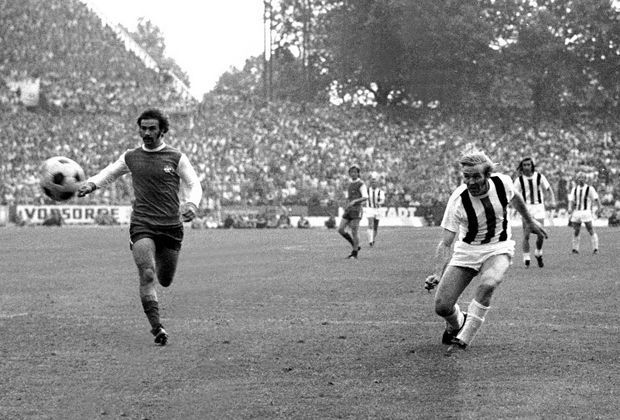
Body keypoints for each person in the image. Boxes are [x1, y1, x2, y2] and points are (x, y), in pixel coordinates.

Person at [77, 109, 202, 346]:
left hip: (170, 226)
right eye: (143, 128)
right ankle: (157, 328)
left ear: (162, 130)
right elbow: (110, 173)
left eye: (152, 128)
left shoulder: (176, 157)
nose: (146, 133)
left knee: (165, 280)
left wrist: (192, 203)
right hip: (142, 223)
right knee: (147, 274)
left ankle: (157, 315)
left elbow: (194, 184)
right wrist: (92, 184)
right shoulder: (131, 157)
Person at [424, 150, 547, 354]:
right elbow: (446, 242)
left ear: (487, 175)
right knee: (442, 307)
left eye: (476, 176)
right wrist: (437, 272)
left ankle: (463, 338)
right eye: (466, 176)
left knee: (489, 282)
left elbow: (515, 198)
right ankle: (457, 323)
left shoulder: (502, 183)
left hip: (498, 247)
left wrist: (529, 220)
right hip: (467, 251)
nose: (470, 181)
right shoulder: (458, 200)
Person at [513, 157, 556, 267]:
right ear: (521, 167)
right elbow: (513, 194)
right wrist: (514, 206)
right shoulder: (519, 180)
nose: (526, 167)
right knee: (526, 234)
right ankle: (526, 258)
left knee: (540, 234)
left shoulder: (540, 177)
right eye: (524, 165)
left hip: (539, 208)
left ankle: (538, 252)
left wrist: (552, 200)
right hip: (526, 208)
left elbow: (549, 189)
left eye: (528, 164)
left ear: (532, 166)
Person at [337, 164, 368, 259]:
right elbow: (348, 198)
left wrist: (355, 201)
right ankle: (355, 246)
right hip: (349, 209)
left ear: (358, 173)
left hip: (357, 210)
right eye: (351, 172)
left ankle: (354, 253)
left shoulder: (361, 184)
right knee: (340, 229)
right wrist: (345, 204)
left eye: (355, 172)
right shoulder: (350, 184)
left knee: (354, 231)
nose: (353, 173)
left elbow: (365, 197)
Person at [567, 172, 600, 254]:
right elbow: (571, 200)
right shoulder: (574, 189)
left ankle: (595, 249)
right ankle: (575, 249)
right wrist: (569, 208)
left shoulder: (590, 188)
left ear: (585, 179)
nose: (580, 179)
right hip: (577, 212)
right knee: (576, 230)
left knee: (590, 229)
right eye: (579, 177)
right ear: (577, 179)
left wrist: (599, 207)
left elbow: (596, 198)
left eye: (582, 177)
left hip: (586, 212)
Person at [365, 173, 386, 247]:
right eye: (372, 182)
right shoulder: (367, 191)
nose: (374, 184)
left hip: (378, 209)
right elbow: (364, 199)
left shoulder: (381, 192)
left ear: (377, 184)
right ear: (371, 183)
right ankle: (370, 241)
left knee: (375, 226)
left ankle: (372, 239)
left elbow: (383, 201)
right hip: (369, 209)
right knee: (370, 224)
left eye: (375, 182)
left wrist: (379, 202)